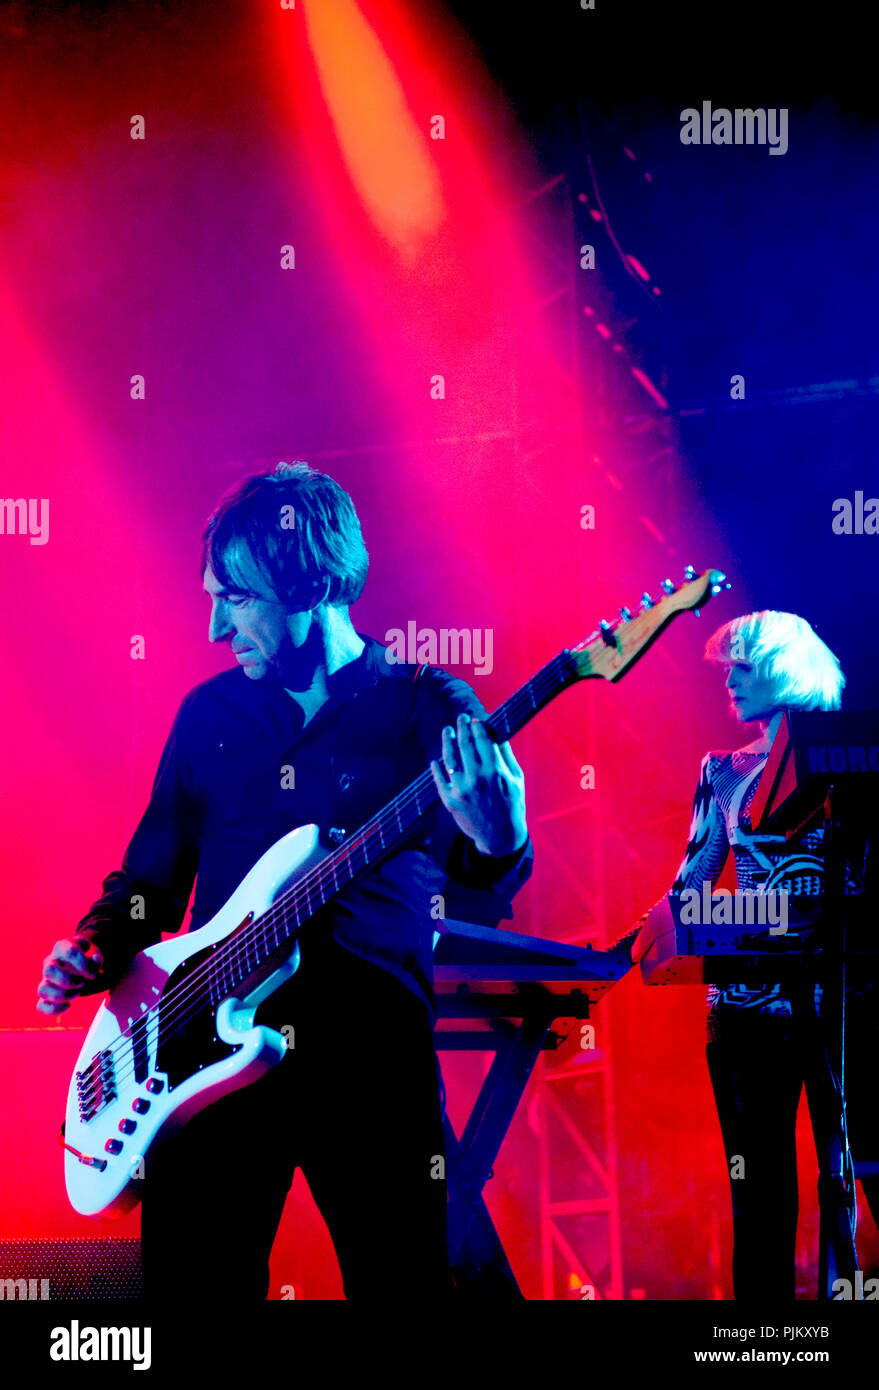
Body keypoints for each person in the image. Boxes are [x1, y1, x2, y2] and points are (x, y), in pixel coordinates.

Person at [37, 462, 533, 1300]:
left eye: (233, 597)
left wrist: (500, 832)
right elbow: (149, 881)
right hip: (199, 1055)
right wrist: (97, 942)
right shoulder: (208, 716)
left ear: (308, 580)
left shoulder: (424, 706)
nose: (211, 625)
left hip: (370, 1060)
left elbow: (481, 880)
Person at [618, 610, 877, 1300]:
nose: (727, 680)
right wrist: (636, 938)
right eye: (724, 667)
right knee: (757, 1198)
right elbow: (691, 883)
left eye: (743, 665)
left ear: (785, 668)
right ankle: (759, 1347)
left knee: (860, 1178)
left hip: (843, 1012)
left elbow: (854, 892)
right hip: (742, 1012)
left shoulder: (851, 758)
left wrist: (750, 917)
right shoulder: (720, 770)